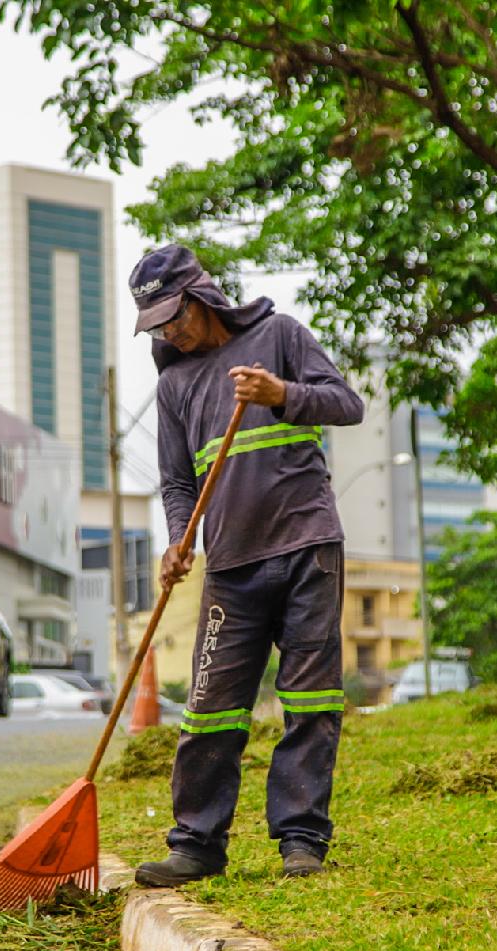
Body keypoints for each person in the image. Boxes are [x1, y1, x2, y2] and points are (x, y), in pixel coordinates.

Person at [129, 244, 364, 886]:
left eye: (174, 315)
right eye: (157, 325)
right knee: (209, 707)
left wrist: (281, 392)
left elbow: (347, 404)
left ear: (202, 294)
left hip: (307, 545)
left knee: (311, 698)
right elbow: (178, 482)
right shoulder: (174, 384)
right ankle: (197, 844)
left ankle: (300, 839)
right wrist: (181, 540)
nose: (170, 331)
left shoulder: (280, 335)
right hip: (230, 562)